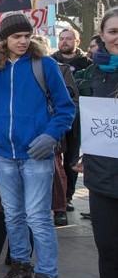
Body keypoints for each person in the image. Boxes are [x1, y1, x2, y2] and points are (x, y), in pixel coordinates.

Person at [0, 11, 75, 278]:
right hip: (4, 153)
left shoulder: (46, 66)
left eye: (26, 36)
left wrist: (51, 136)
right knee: (13, 215)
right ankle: (21, 268)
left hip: (35, 154)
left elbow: (66, 108)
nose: (23, 41)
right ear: (5, 39)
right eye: (17, 36)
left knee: (38, 218)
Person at [72, 7, 118, 278]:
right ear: (102, 35)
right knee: (108, 249)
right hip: (103, 177)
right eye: (113, 30)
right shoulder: (92, 75)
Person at [51, 27, 91, 214]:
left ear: (77, 41)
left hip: (79, 117)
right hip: (57, 117)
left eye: (68, 38)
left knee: (72, 158)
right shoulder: (51, 61)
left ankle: (68, 196)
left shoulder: (86, 63)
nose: (64, 41)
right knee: (57, 159)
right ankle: (59, 197)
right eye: (61, 38)